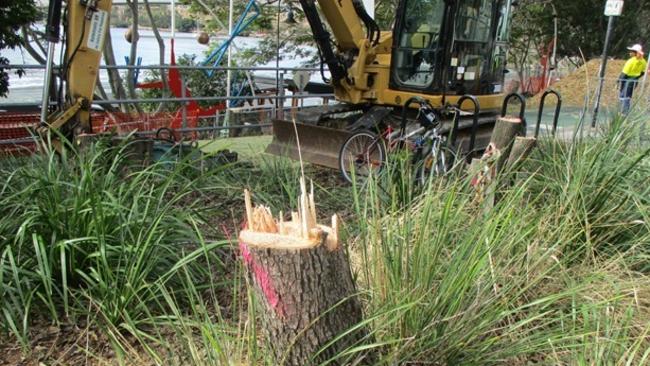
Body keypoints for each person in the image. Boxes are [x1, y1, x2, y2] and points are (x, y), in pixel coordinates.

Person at [619, 44, 647, 114]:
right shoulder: (643, 61)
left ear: (635, 53)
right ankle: (624, 112)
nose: (630, 53)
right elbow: (643, 72)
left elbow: (623, 74)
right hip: (634, 81)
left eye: (632, 51)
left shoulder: (630, 61)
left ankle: (623, 113)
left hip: (627, 80)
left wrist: (620, 82)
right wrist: (636, 77)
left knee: (623, 96)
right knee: (628, 96)